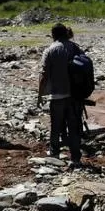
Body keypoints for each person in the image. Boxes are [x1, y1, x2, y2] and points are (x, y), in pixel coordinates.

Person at [38, 23, 83, 167]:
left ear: (53, 34)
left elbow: (44, 75)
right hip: (75, 95)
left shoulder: (50, 50)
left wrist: (40, 94)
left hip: (57, 95)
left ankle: (55, 154)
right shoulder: (75, 48)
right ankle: (75, 158)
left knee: (56, 127)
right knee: (74, 128)